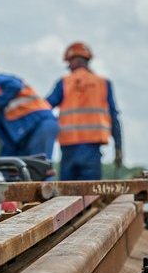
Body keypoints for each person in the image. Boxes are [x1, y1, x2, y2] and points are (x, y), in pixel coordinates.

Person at [46, 42, 122, 180]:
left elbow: (44, 108)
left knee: (67, 195)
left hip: (69, 148)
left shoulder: (64, 83)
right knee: (90, 194)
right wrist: (118, 147)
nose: (68, 67)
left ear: (74, 60)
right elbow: (114, 117)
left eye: (69, 63)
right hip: (91, 149)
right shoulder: (103, 84)